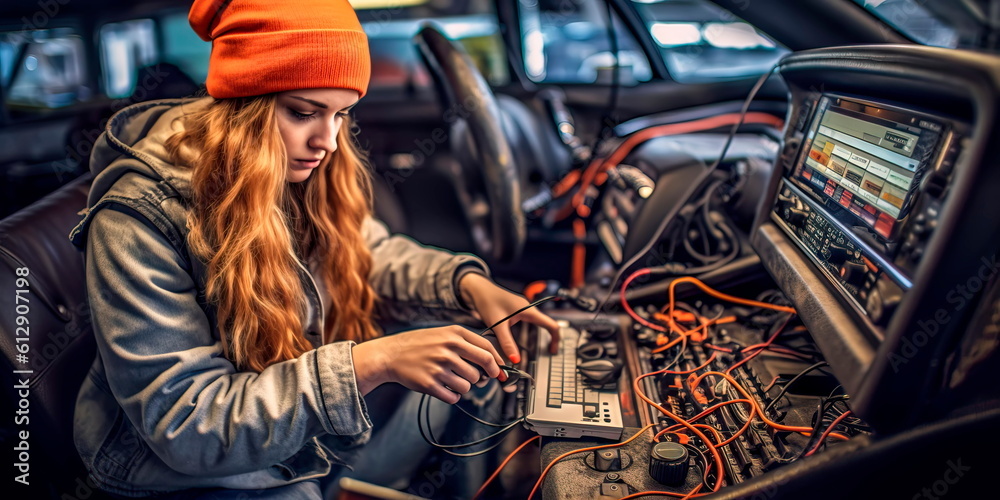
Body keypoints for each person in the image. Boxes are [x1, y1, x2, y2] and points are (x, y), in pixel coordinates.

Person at [67, 0, 559, 497]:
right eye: (305, 112)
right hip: (179, 473)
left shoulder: (296, 168)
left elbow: (371, 254)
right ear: (244, 106)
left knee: (471, 362)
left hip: (286, 431)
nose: (327, 140)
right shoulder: (136, 221)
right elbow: (188, 423)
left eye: (343, 113)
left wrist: (465, 283)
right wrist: (370, 363)